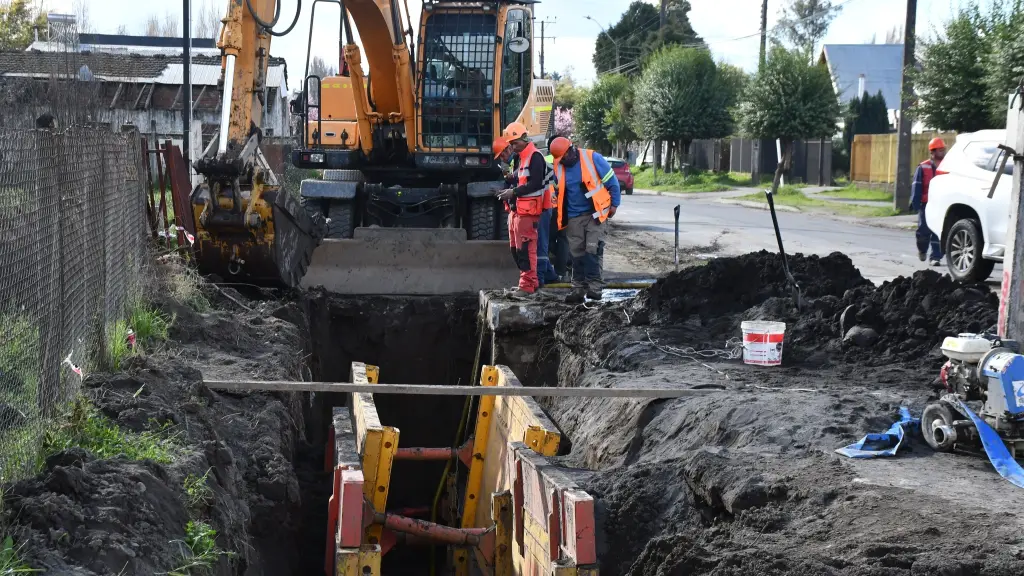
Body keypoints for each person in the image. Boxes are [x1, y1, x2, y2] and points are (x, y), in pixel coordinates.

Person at [549, 136, 621, 303]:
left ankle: (595, 289)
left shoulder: (592, 158)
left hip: (595, 214)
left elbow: (612, 182)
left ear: (571, 149)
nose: (564, 161)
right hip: (574, 217)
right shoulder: (559, 166)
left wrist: (614, 205)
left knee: (592, 251)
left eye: (565, 157)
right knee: (576, 254)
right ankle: (578, 289)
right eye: (561, 159)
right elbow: (559, 191)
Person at [495, 123, 548, 295]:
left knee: (526, 249)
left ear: (524, 139)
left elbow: (535, 183)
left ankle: (527, 286)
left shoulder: (535, 157)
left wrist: (513, 191)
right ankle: (526, 283)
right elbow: (520, 179)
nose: (513, 146)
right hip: (517, 211)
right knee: (516, 249)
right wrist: (509, 181)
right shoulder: (520, 158)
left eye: (515, 143)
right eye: (511, 143)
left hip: (528, 211)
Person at [911, 137, 946, 266]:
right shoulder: (923, 167)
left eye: (943, 149)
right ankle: (922, 250)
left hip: (942, 204)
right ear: (933, 151)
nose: (943, 152)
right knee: (924, 230)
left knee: (939, 231)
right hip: (926, 204)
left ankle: (936, 257)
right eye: (940, 150)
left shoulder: (947, 167)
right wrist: (915, 203)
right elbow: (917, 185)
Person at [545, 135, 570, 282]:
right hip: (563, 207)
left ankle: (547, 272)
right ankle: (561, 272)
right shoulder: (566, 160)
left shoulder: (545, 160)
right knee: (563, 240)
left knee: (547, 240)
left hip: (548, 206)